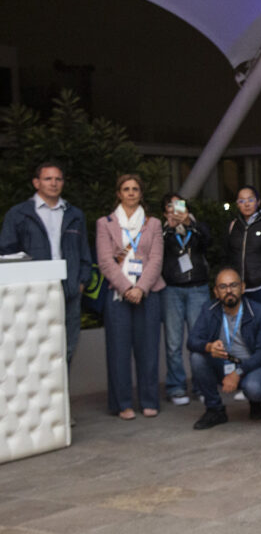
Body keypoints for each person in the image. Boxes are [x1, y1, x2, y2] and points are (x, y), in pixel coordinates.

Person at [0, 162, 92, 370]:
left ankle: (61, 401)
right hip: (33, 294)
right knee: (34, 348)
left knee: (67, 348)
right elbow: (6, 252)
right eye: (48, 178)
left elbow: (84, 252)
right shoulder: (19, 214)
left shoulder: (74, 215)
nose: (54, 183)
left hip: (68, 292)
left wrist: (81, 282)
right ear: (36, 183)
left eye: (58, 179)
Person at [96, 174, 165, 420]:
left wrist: (140, 288)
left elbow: (156, 259)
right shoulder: (105, 223)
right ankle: (122, 403)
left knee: (148, 350)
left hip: (148, 293)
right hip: (117, 294)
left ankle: (149, 400)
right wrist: (126, 288)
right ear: (119, 193)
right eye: (126, 189)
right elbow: (105, 261)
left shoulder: (153, 223)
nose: (131, 193)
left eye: (135, 189)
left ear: (141, 193)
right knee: (118, 351)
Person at [188, 267, 261, 429]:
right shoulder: (209, 310)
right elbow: (192, 341)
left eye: (233, 285)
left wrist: (238, 373)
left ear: (242, 287)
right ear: (216, 291)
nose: (229, 290)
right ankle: (214, 410)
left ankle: (256, 402)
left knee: (254, 388)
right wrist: (209, 346)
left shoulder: (259, 311)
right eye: (223, 287)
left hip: (251, 366)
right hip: (223, 364)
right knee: (197, 358)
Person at [226, 185, 261, 398]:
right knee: (244, 337)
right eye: (241, 200)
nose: (246, 204)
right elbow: (228, 255)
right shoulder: (233, 226)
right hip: (242, 291)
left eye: (250, 199)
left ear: (258, 201)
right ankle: (246, 381)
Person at [159, 192, 211, 406]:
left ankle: (202, 385)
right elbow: (154, 253)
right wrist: (168, 229)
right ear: (165, 212)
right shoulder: (161, 231)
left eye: (179, 207)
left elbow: (209, 242)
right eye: (170, 207)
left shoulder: (197, 227)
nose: (175, 211)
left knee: (199, 340)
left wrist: (190, 224)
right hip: (172, 290)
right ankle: (176, 387)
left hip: (198, 287)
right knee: (173, 343)